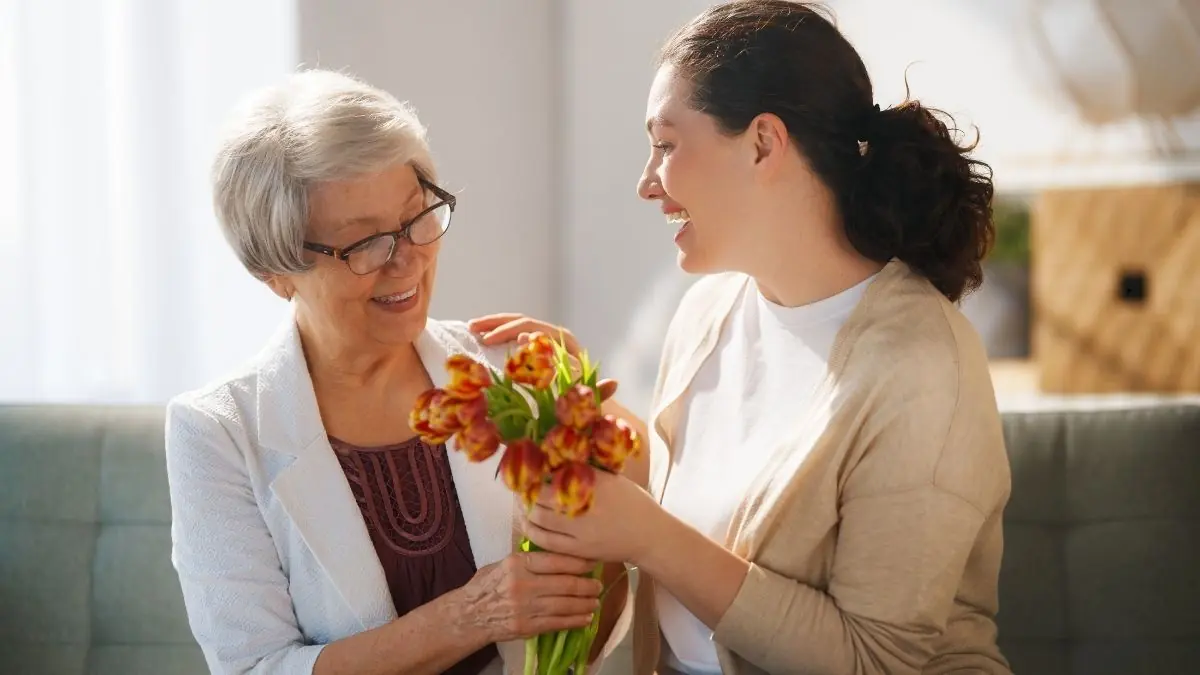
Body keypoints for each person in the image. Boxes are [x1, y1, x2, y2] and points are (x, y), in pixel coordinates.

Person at [471, 1, 1013, 673]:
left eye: (666, 145)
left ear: (763, 143)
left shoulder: (921, 368)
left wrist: (647, 536)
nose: (646, 184)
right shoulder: (709, 311)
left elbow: (877, 659)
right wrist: (582, 414)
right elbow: (722, 510)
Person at [165, 69, 630, 675]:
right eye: (364, 243)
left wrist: (592, 428)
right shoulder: (219, 432)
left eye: (417, 218)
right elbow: (254, 667)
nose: (406, 260)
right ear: (274, 273)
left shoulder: (512, 370)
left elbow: (599, 606)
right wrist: (472, 616)